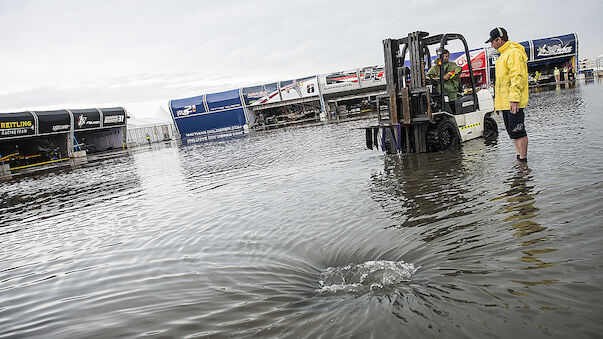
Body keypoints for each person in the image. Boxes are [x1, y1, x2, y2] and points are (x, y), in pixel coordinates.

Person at [486, 27, 529, 162]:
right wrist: (498, 105)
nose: (491, 45)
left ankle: (523, 159)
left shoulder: (513, 53)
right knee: (512, 132)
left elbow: (517, 76)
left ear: (499, 40)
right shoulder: (502, 56)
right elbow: (501, 83)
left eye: (492, 42)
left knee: (518, 130)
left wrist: (514, 99)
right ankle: (519, 158)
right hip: (505, 102)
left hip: (512, 101)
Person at [426, 49, 462, 113]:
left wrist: (449, 74)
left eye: (446, 56)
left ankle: (453, 112)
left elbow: (458, 69)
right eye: (443, 56)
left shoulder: (451, 65)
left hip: (450, 86)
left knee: (448, 93)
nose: (445, 58)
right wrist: (427, 78)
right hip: (439, 87)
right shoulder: (435, 67)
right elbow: (429, 75)